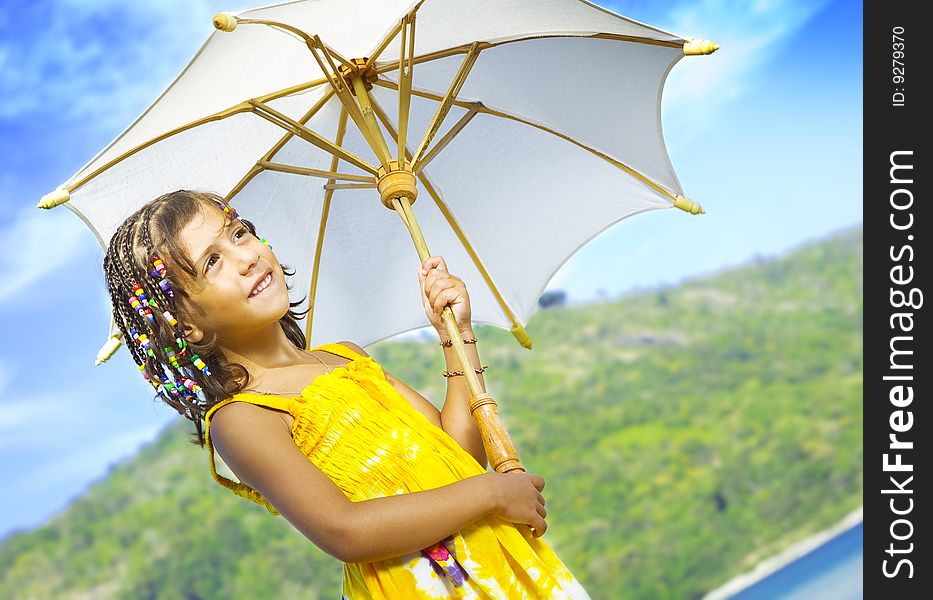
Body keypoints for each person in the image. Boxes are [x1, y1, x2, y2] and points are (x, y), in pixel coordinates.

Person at [102, 189, 591, 599]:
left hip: (507, 567)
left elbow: (457, 453)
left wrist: (455, 335)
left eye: (238, 232)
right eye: (213, 261)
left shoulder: (345, 357)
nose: (247, 256)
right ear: (185, 324)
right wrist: (490, 493)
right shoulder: (244, 417)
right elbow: (346, 531)